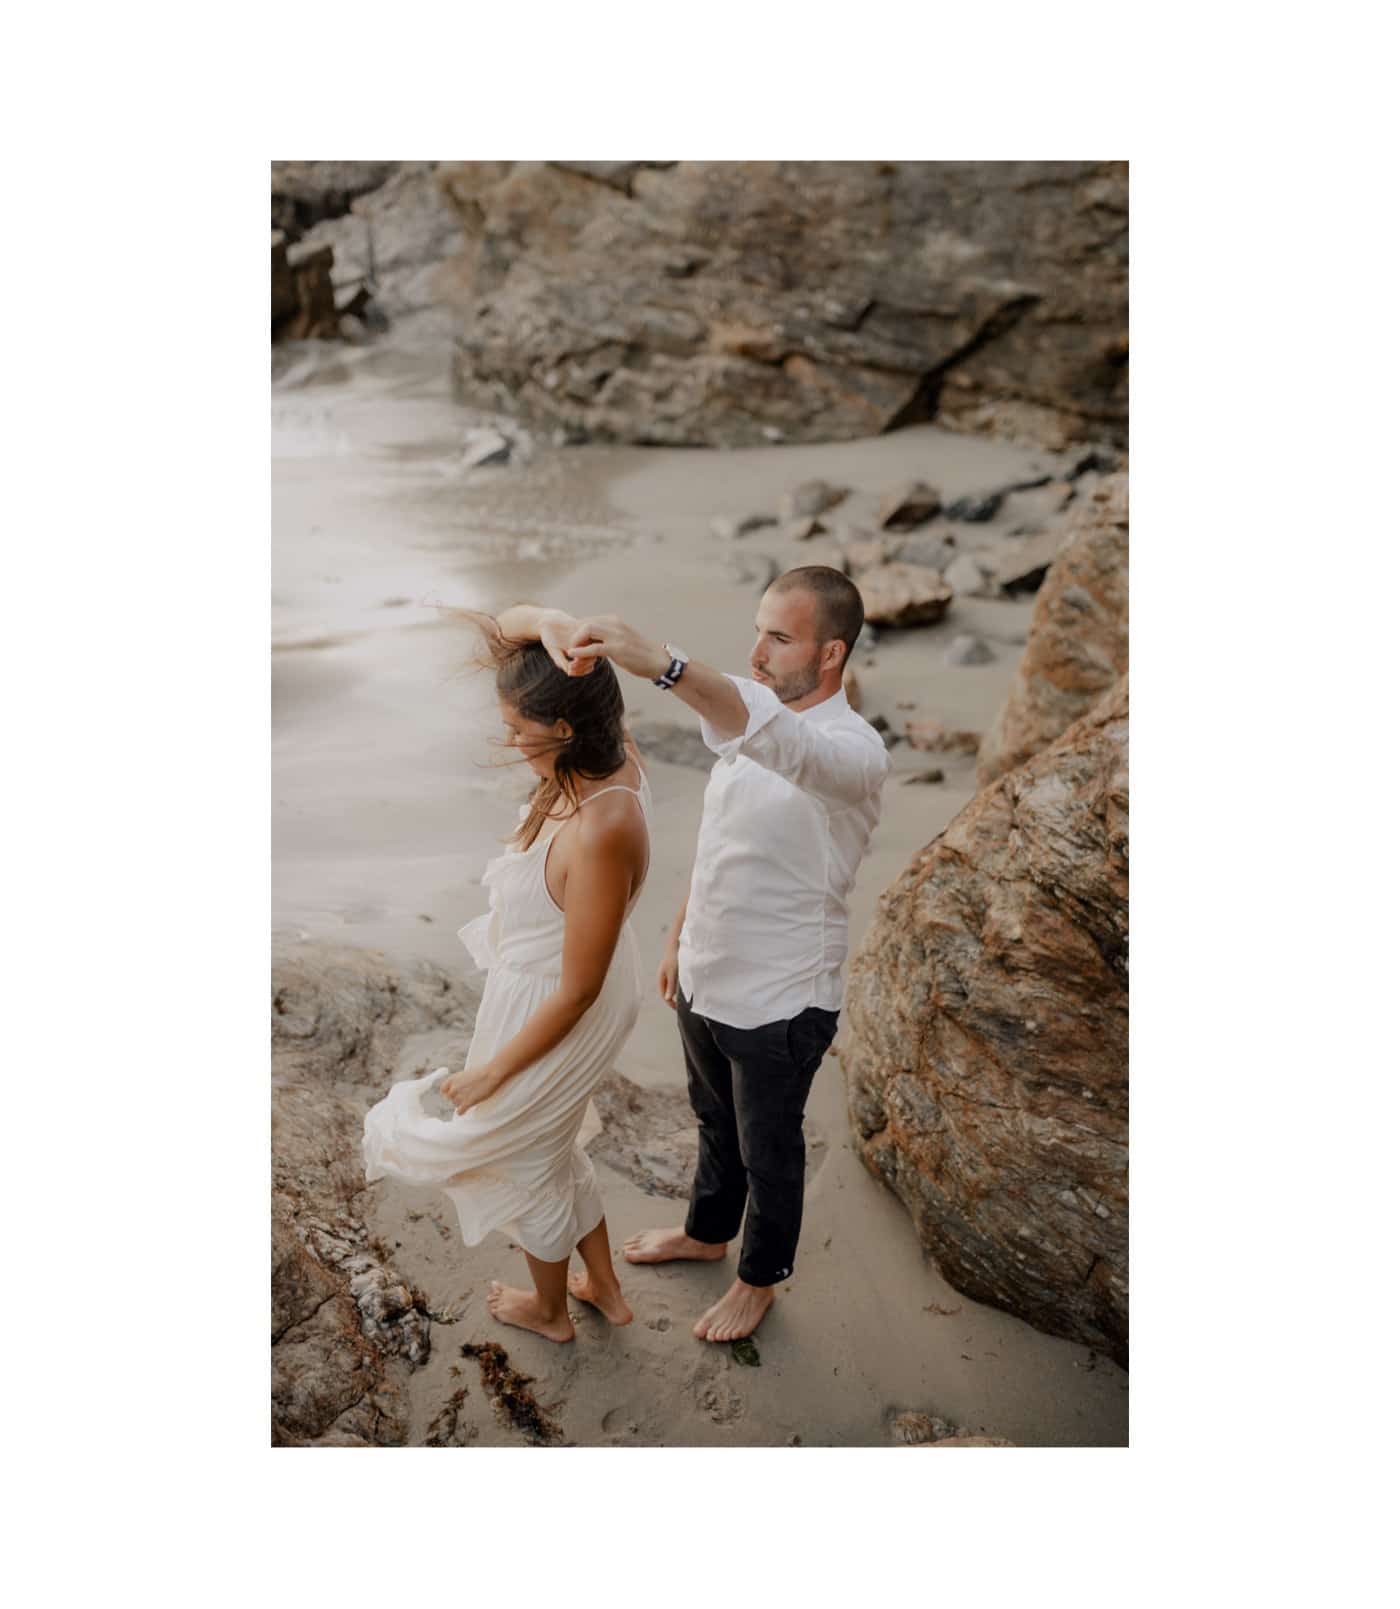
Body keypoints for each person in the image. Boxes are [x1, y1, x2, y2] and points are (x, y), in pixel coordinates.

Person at [508, 566, 889, 1342]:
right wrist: (681, 935)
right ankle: (708, 1233)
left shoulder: (852, 754)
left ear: (831, 655)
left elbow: (777, 741)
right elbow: (726, 846)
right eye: (758, 630)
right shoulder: (759, 721)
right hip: (708, 974)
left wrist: (663, 663)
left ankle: (760, 1279)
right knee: (716, 1123)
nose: (757, 652)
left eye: (780, 638)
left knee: (770, 1149)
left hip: (783, 997)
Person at [361, 613, 650, 1344]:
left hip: (562, 1000)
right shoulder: (604, 751)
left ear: (561, 727)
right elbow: (512, 617)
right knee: (550, 1144)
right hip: (552, 983)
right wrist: (553, 628)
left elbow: (578, 991)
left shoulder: (601, 824)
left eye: (518, 727)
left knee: (524, 1158)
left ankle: (551, 1311)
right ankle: (605, 1289)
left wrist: (494, 1071)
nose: (510, 740)